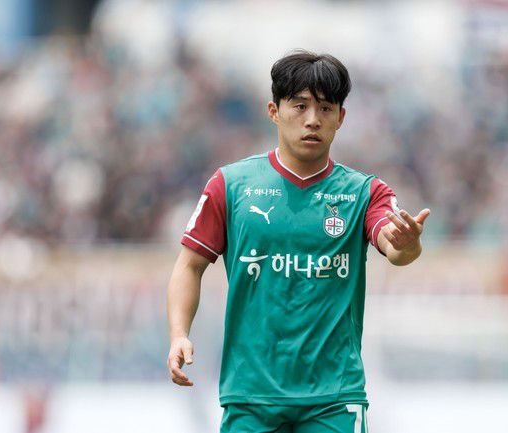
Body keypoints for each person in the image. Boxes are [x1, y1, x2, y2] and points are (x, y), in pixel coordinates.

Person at [166, 50, 430, 433]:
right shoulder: (231, 186)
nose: (312, 120)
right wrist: (178, 335)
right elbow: (189, 265)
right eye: (300, 106)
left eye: (325, 109)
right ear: (274, 111)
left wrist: (407, 243)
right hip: (251, 396)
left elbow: (396, 247)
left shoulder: (364, 192)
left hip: (334, 398)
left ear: (341, 118)